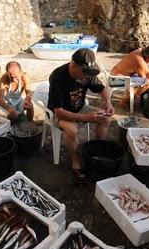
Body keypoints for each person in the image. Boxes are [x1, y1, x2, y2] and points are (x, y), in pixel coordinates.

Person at [48, 48, 115, 185]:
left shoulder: (88, 73)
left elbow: (101, 89)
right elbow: (59, 112)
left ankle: (97, 147)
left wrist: (107, 103)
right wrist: (86, 118)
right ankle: (75, 160)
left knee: (106, 118)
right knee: (72, 130)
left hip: (80, 107)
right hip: (59, 113)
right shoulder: (58, 77)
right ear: (73, 66)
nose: (87, 76)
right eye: (84, 72)